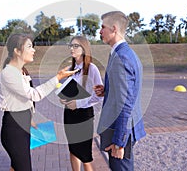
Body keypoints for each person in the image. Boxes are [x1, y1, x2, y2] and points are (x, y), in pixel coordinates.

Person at [0, 33, 78, 171]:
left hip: (22, 125)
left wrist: (30, 119)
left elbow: (23, 100)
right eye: (29, 47)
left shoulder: (21, 72)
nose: (33, 50)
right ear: (17, 51)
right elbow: (34, 95)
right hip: (14, 130)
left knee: (16, 166)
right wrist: (58, 77)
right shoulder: (9, 73)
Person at [94, 11, 146, 171]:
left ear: (114, 29)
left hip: (121, 130)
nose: (100, 31)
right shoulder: (124, 53)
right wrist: (108, 90)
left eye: (103, 27)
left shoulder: (121, 58)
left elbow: (126, 104)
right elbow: (127, 92)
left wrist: (119, 142)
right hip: (125, 127)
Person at [60, 36, 103, 171]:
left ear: (84, 49)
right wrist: (64, 99)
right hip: (69, 114)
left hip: (84, 115)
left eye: (76, 46)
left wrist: (77, 104)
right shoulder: (71, 69)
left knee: (85, 155)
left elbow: (99, 96)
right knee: (73, 150)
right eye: (71, 46)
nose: (72, 49)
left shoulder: (92, 68)